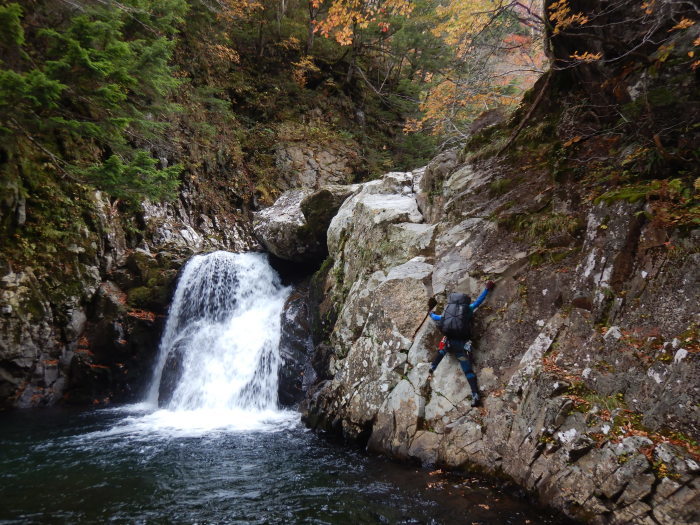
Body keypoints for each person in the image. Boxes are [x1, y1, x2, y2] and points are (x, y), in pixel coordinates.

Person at [428, 281, 495, 407]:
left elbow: (437, 318)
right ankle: (475, 395)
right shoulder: (468, 309)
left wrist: (430, 313)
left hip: (449, 341)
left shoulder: (448, 310)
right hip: (461, 345)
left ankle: (433, 365)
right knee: (467, 369)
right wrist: (487, 289)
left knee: (442, 350)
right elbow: (479, 301)